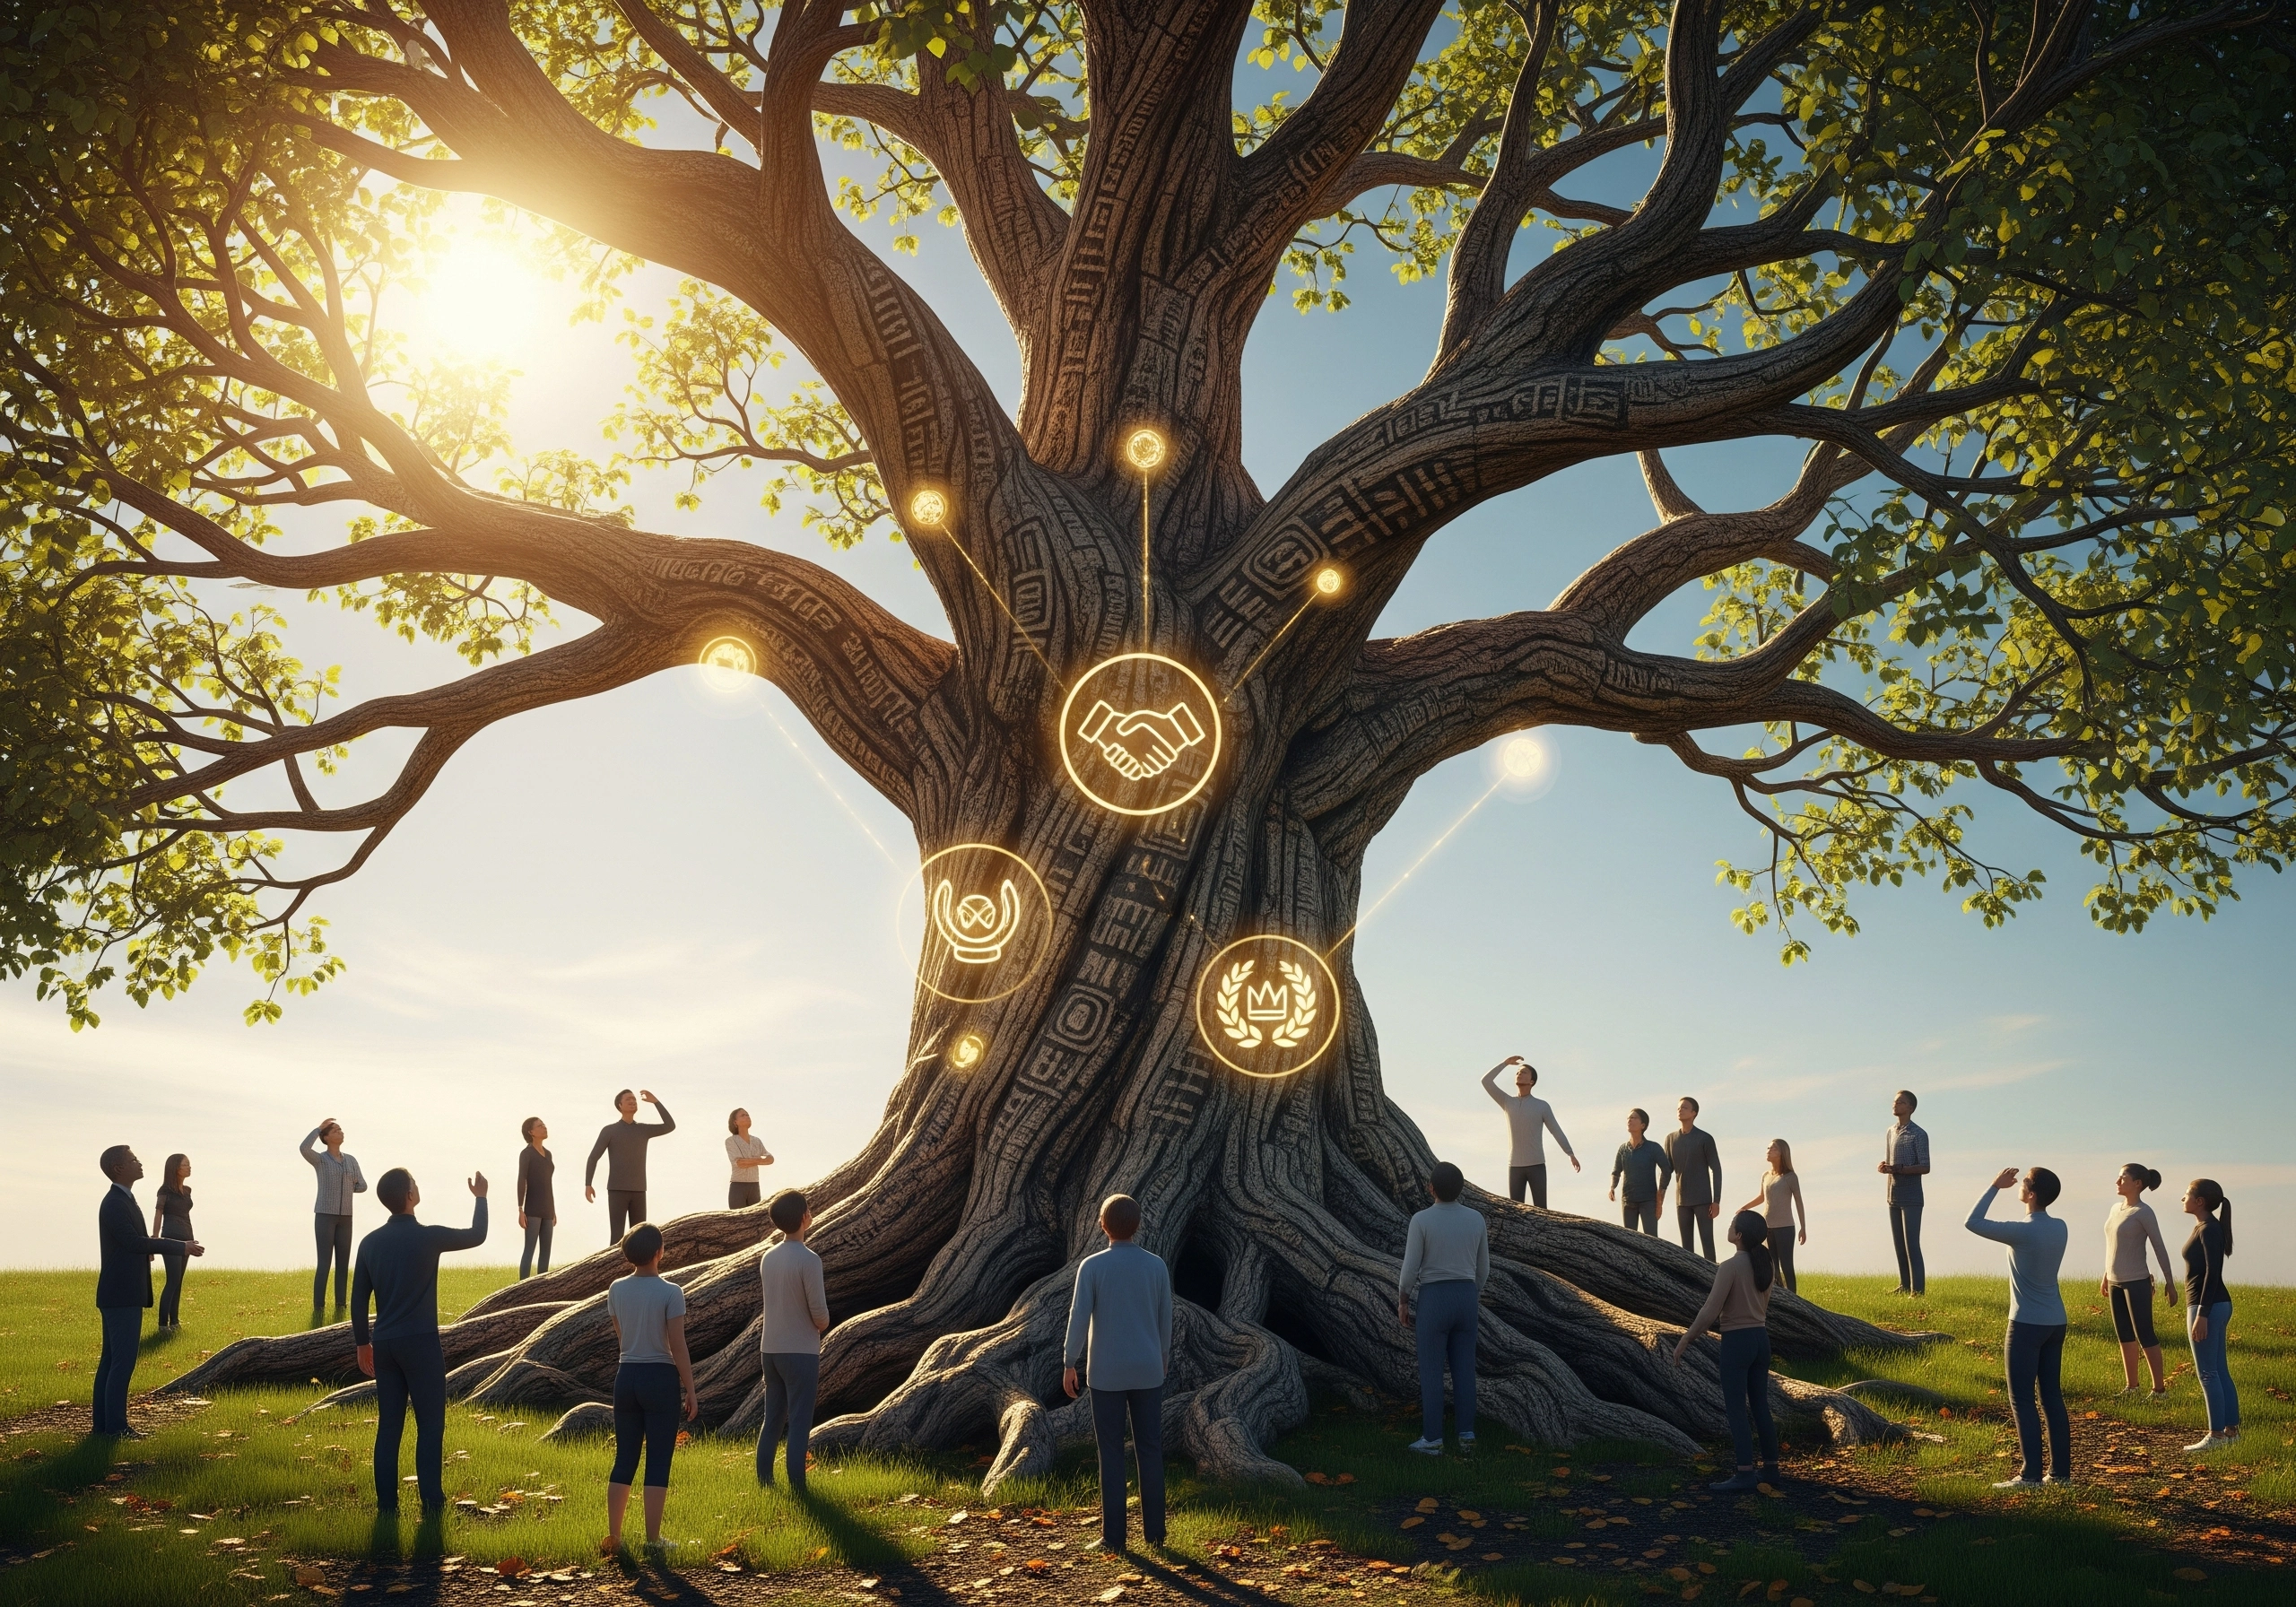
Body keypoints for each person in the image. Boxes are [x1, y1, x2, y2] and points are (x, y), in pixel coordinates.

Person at [352, 1166, 488, 1512]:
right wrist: (482, 1198)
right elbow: (477, 1235)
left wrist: (362, 1344)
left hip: (384, 1344)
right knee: (429, 1424)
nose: (417, 1186)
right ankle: (431, 1501)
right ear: (410, 1196)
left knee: (389, 1425)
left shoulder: (369, 1243)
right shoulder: (429, 1237)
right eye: (414, 1183)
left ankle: (387, 1506)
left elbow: (357, 1300)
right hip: (421, 1343)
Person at [1063, 1194, 1173, 1552]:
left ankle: (1114, 1538)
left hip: (1106, 1373)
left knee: (1110, 1451)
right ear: (1138, 1224)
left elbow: (1078, 1318)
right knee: (1150, 1448)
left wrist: (1069, 1362)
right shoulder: (1156, 1266)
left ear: (1102, 1225)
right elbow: (1165, 1318)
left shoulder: (1092, 1267)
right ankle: (1156, 1534)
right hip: (1148, 1369)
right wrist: (1163, 1357)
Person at [1966, 1165, 2070, 1488]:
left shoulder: (2022, 1231)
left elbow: (1973, 1222)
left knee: (2022, 1399)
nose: (2019, 1186)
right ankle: (2061, 1474)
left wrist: (1994, 1186)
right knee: (2051, 1396)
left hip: (2026, 1324)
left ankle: (2030, 1476)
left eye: (2023, 1183)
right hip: (2056, 1322)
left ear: (2032, 1194)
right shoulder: (2060, 1227)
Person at [93, 1145, 203, 1437]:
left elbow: (137, 1242)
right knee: (122, 1362)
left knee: (112, 1361)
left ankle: (103, 1427)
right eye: (133, 1160)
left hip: (121, 1293)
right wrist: (180, 1245)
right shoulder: (115, 1203)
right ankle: (115, 1428)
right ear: (119, 1169)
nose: (139, 1162)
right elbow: (136, 1243)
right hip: (121, 1293)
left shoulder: (125, 1199)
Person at [1668, 1208, 1779, 1492]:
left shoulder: (1730, 1267)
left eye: (1732, 1224)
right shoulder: (1766, 1264)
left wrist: (1685, 1340)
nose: (1728, 1226)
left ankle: (1744, 1473)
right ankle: (1770, 1469)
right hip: (1760, 1339)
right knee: (1760, 1406)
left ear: (1739, 1235)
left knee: (1736, 1410)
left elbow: (1709, 1312)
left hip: (1737, 1342)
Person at [604, 1222, 696, 1552]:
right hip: (660, 1378)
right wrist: (691, 1389)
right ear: (660, 1252)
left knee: (625, 1456)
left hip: (626, 1375)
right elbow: (678, 1345)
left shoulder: (616, 1289)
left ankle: (614, 1537)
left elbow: (621, 1336)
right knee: (658, 1459)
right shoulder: (671, 1292)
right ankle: (653, 1540)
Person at [1396, 1160, 1488, 1456]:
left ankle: (1433, 1439)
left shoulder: (1421, 1221)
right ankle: (1467, 1436)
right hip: (1465, 1296)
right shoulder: (1476, 1219)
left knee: (1432, 1371)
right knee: (1464, 1370)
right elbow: (1483, 1269)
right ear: (1462, 1189)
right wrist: (1471, 1293)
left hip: (1434, 1298)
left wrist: (1403, 1300)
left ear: (1430, 1188)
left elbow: (1410, 1270)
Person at [755, 1189, 830, 1491]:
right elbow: (820, 1315)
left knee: (772, 1418)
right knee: (799, 1420)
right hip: (800, 1351)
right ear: (804, 1218)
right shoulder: (809, 1260)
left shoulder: (768, 1257)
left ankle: (765, 1482)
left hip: (769, 1350)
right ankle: (798, 1486)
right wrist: (822, 1323)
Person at [2100, 1162, 2177, 1397]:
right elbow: (2112, 1245)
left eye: (2122, 1178)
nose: (2117, 1181)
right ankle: (2132, 1387)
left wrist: (2170, 1282)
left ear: (2137, 1184)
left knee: (2145, 1333)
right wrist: (2105, 1276)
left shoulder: (2144, 1212)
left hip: (2137, 1282)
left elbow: (2159, 1246)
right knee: (2124, 1334)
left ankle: (2159, 1390)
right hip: (2114, 1281)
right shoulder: (2115, 1209)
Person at [2179, 1177, 2239, 1452]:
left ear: (2199, 1202)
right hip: (2214, 1305)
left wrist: (2201, 1313)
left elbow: (2213, 1274)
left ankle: (2216, 1436)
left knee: (2208, 1373)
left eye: (2187, 1195)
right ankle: (2230, 1433)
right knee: (2219, 1370)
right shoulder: (2206, 1227)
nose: (2183, 1199)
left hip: (2208, 1307)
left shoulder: (2209, 1229)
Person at [1479, 1055, 1580, 1208]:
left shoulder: (1541, 1106)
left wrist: (1570, 1153)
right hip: (1515, 1166)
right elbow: (1485, 1081)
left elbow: (1556, 1130)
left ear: (1532, 1081)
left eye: (1524, 1072)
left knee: (1542, 1211)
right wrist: (1505, 1064)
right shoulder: (1507, 1102)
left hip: (1537, 1165)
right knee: (1516, 1213)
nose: (1519, 1073)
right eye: (1518, 1072)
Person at [585, 1089, 676, 1245]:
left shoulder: (643, 1129)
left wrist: (656, 1102)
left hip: (639, 1190)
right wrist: (588, 1184)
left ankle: (639, 1269)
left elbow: (670, 1125)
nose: (633, 1101)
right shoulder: (610, 1131)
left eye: (634, 1099)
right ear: (620, 1105)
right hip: (617, 1190)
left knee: (639, 1237)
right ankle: (612, 1269)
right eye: (628, 1099)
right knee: (617, 1238)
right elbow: (593, 1157)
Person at [300, 1117, 368, 1316]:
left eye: (341, 1130)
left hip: (346, 1217)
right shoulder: (320, 1160)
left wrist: (351, 1186)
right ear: (326, 1137)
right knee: (324, 1263)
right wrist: (318, 1128)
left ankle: (341, 1306)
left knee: (343, 1263)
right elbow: (304, 1148)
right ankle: (318, 1308)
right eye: (336, 1130)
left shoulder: (351, 1160)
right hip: (324, 1215)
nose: (341, 1132)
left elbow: (363, 1185)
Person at [1880, 1090, 1930, 1296]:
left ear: (1910, 1108)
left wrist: (1900, 1168)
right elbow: (1890, 1161)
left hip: (1912, 1197)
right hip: (1893, 1194)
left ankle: (1917, 1291)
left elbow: (1925, 1167)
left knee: (1912, 1245)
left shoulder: (1919, 1134)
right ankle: (1904, 1285)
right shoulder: (1890, 1131)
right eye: (1894, 1101)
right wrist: (1885, 1167)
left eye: (1900, 1102)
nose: (1895, 1104)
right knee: (1899, 1244)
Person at [1741, 1140, 1806, 1293]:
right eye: (1768, 1148)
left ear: (1782, 1153)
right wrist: (1745, 1207)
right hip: (1767, 1227)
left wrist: (1803, 1227)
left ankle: (1794, 1301)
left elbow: (1799, 1202)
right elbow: (1762, 1197)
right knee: (1772, 1266)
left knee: (1787, 1266)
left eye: (1773, 1148)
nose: (1768, 1150)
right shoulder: (1765, 1175)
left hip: (1785, 1227)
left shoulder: (1791, 1177)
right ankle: (1778, 1298)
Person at [1664, 1098, 1723, 1261]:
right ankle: (1689, 1284)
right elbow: (1667, 1170)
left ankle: (1713, 1281)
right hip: (1682, 1201)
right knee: (1686, 1248)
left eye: (1684, 1107)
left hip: (1703, 1200)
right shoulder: (1670, 1139)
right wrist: (1659, 1194)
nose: (1680, 1110)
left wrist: (1716, 1201)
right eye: (1678, 1107)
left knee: (1707, 1244)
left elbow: (1716, 1169)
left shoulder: (1705, 1138)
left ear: (1693, 1113)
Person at [1609, 1108, 1673, 1237]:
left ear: (1643, 1125)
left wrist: (1660, 1194)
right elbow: (1616, 1171)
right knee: (1629, 1240)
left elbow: (1666, 1170)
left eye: (1634, 1117)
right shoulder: (1623, 1149)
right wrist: (1612, 1187)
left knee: (1652, 1239)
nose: (1630, 1120)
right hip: (1628, 1200)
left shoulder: (1653, 1148)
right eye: (1628, 1118)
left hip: (1648, 1200)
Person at [152, 1153, 196, 1330]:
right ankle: (163, 1325)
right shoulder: (165, 1191)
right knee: (172, 1280)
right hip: (170, 1237)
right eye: (186, 1165)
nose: (189, 1167)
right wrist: (154, 1241)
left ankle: (175, 1322)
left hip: (187, 1237)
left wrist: (190, 1239)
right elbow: (158, 1214)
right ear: (176, 1169)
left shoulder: (187, 1191)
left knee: (179, 1281)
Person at [517, 1117, 556, 1280]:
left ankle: (542, 1290)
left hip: (548, 1209)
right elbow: (521, 1180)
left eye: (544, 1124)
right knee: (529, 1250)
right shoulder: (526, 1154)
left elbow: (548, 1183)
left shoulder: (548, 1154)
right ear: (531, 1132)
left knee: (545, 1253)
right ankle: (521, 1289)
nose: (544, 1127)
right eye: (540, 1126)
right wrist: (520, 1209)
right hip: (532, 1209)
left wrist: (553, 1211)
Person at [726, 1109, 774, 1211]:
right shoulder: (731, 1141)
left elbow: (770, 1159)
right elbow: (739, 1163)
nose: (747, 1117)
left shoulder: (757, 1141)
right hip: (738, 1186)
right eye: (743, 1115)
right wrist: (759, 1160)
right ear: (735, 1122)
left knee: (756, 1219)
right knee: (738, 1221)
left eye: (748, 1115)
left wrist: (750, 1161)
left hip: (755, 1185)